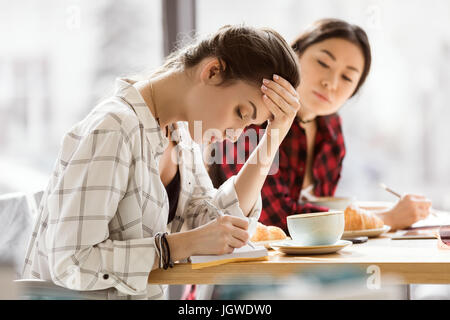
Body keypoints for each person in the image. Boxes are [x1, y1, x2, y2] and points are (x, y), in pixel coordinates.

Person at [21, 25, 302, 299]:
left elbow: (210, 225)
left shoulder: (180, 134)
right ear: (212, 71)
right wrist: (175, 247)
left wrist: (272, 139)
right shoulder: (115, 128)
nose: (235, 135)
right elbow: (70, 262)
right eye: (241, 113)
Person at [209, 19, 431, 234]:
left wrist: (385, 214)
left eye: (346, 77)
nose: (331, 82)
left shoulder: (331, 128)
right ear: (295, 53)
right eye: (323, 63)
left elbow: (324, 213)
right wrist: (385, 219)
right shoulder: (254, 115)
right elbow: (274, 219)